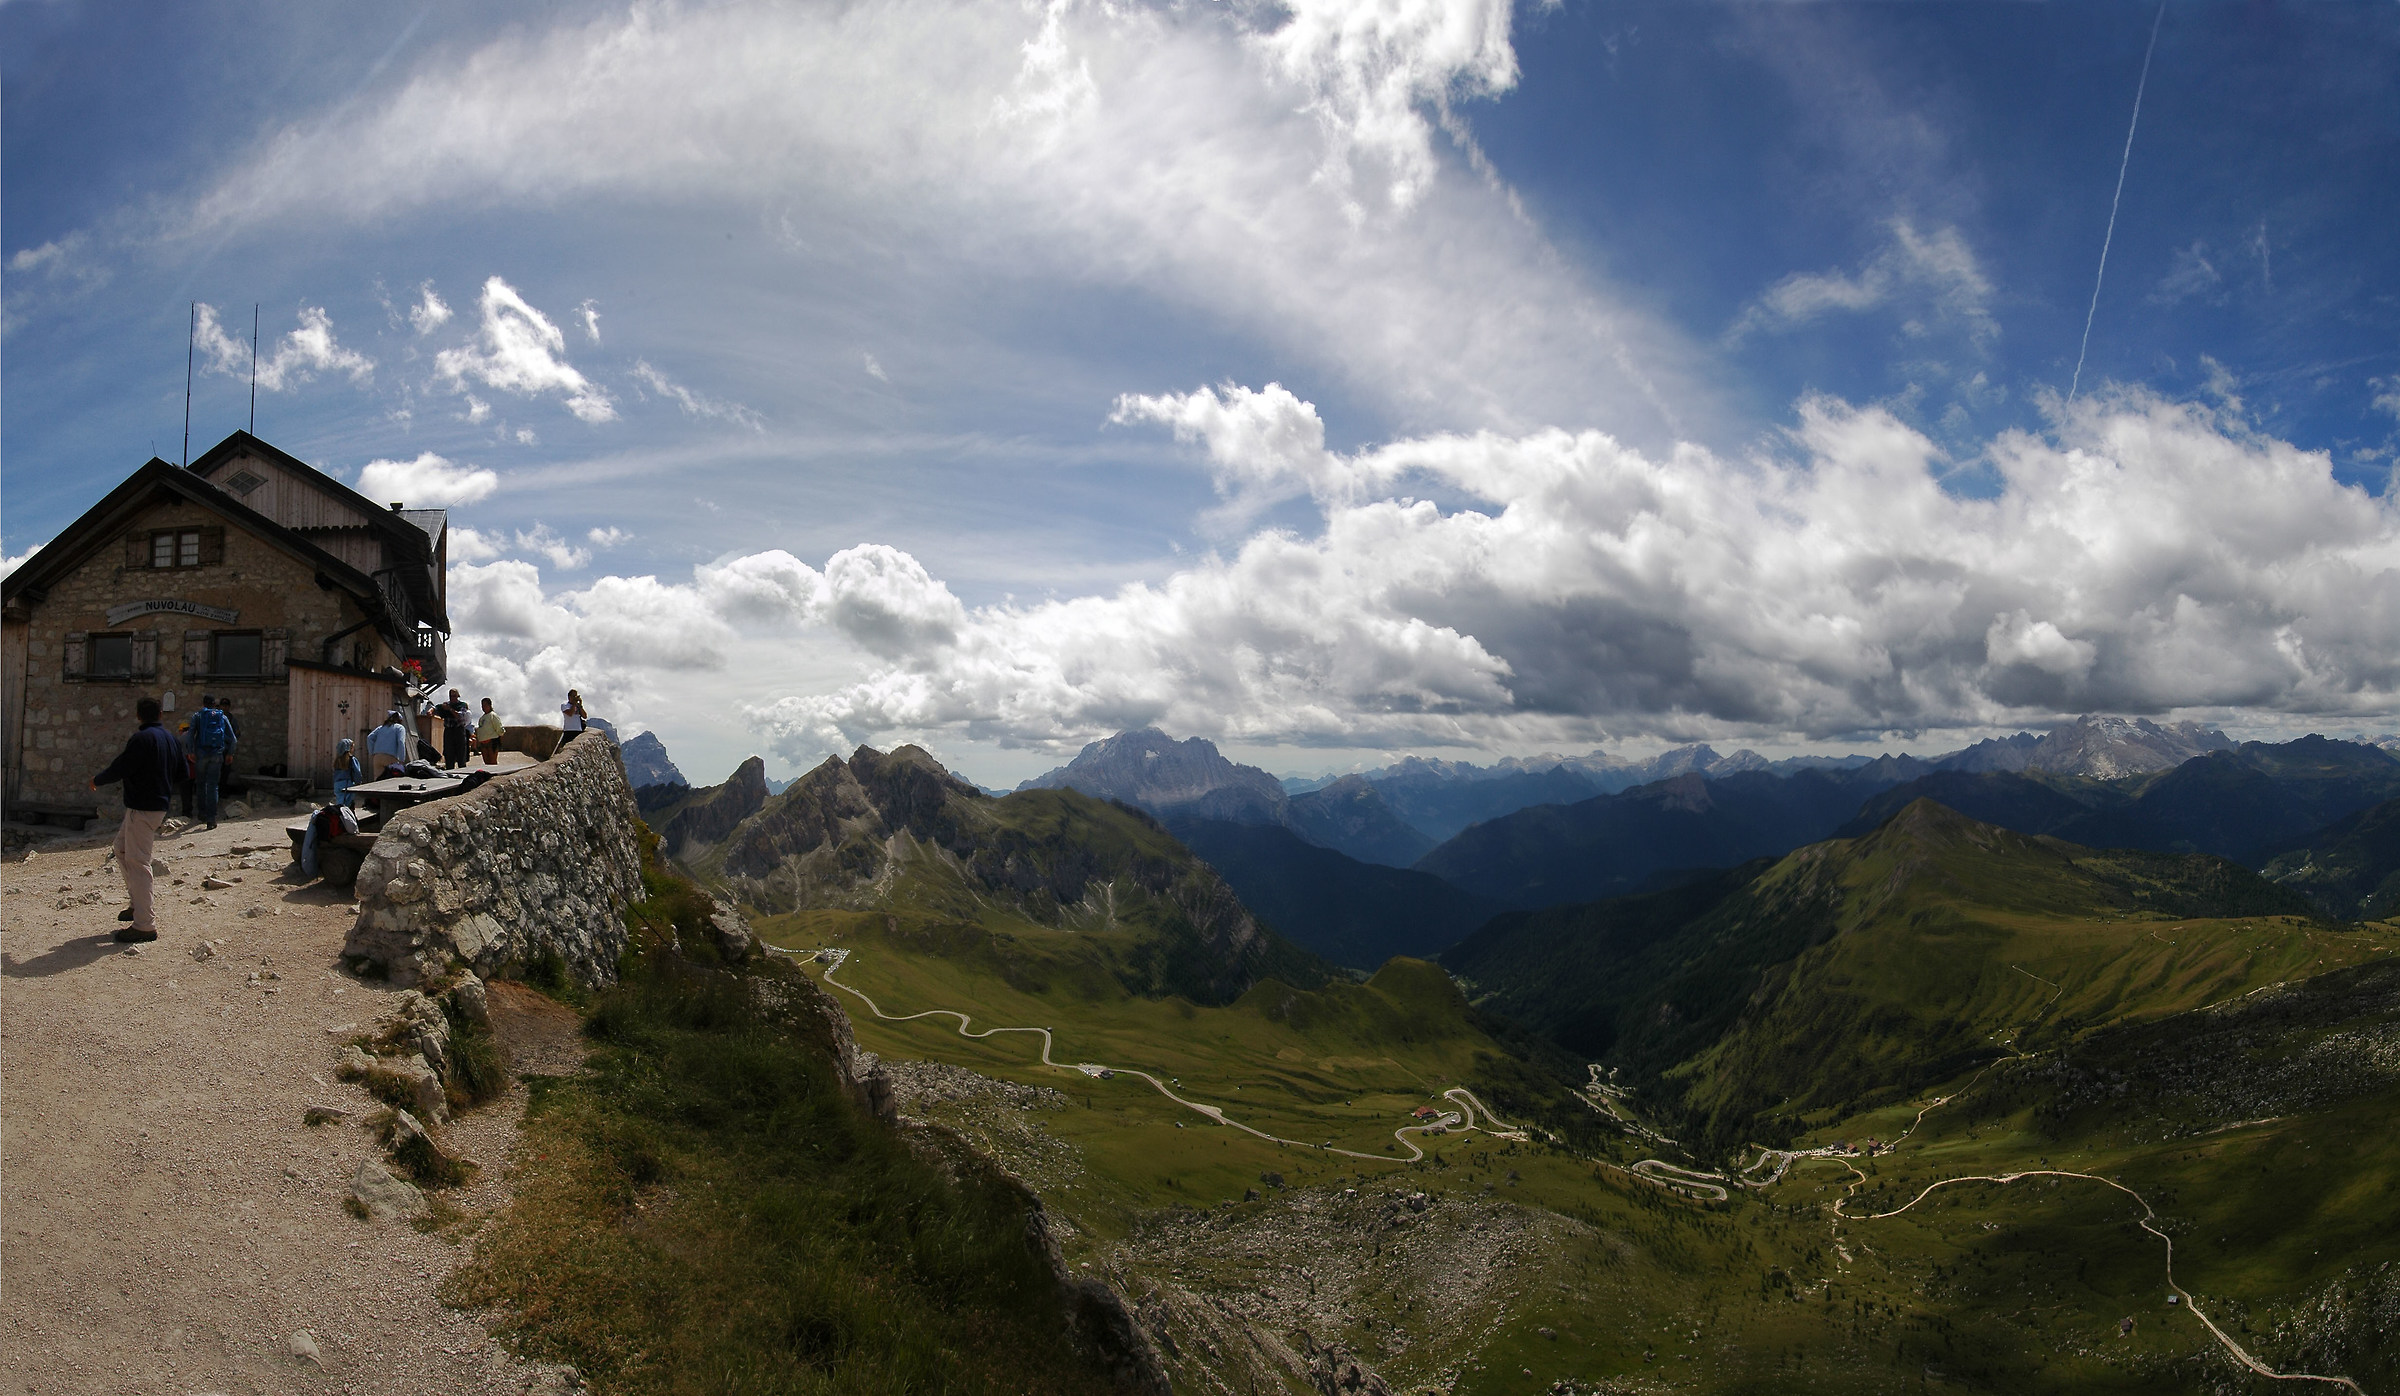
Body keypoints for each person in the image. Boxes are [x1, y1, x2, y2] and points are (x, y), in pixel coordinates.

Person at [90, 696, 178, 943]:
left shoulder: (141, 739)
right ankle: (137, 904)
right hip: (152, 807)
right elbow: (181, 771)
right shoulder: (170, 739)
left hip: (143, 808)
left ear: (138, 716)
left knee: (138, 862)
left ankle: (144, 924)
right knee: (121, 849)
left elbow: (121, 767)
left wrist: (97, 780)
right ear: (160, 714)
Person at [189, 694, 239, 830]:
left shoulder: (198, 716)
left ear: (204, 704)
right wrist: (230, 753)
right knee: (213, 786)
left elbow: (190, 734)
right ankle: (211, 819)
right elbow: (233, 739)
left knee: (200, 784)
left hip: (201, 754)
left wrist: (190, 751)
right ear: (214, 704)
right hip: (217, 754)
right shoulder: (222, 716)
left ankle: (202, 813)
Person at [366, 709, 411, 780]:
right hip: (391, 757)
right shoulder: (400, 728)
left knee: (377, 780)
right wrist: (401, 759)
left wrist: (372, 752)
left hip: (377, 756)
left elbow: (369, 737)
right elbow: (401, 742)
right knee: (392, 780)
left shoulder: (381, 728)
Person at [435, 688, 472, 770]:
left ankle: (462, 770)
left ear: (458, 696)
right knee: (448, 753)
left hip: (459, 730)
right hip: (449, 730)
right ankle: (449, 770)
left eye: (454, 696)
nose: (453, 698)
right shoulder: (445, 705)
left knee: (461, 753)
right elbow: (436, 708)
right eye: (451, 696)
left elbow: (460, 716)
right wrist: (431, 711)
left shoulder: (462, 705)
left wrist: (450, 709)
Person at [331, 737, 364, 809]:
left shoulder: (337, 760)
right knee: (346, 805)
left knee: (339, 802)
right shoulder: (352, 760)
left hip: (337, 784)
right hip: (347, 784)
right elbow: (357, 772)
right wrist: (358, 782)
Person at [474, 697, 506, 765]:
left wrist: (500, 738)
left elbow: (499, 728)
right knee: (486, 763)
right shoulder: (482, 718)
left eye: (485, 705)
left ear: (489, 705)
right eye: (482, 705)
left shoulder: (493, 715)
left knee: (492, 762)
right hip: (483, 743)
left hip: (492, 742)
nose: (483, 707)